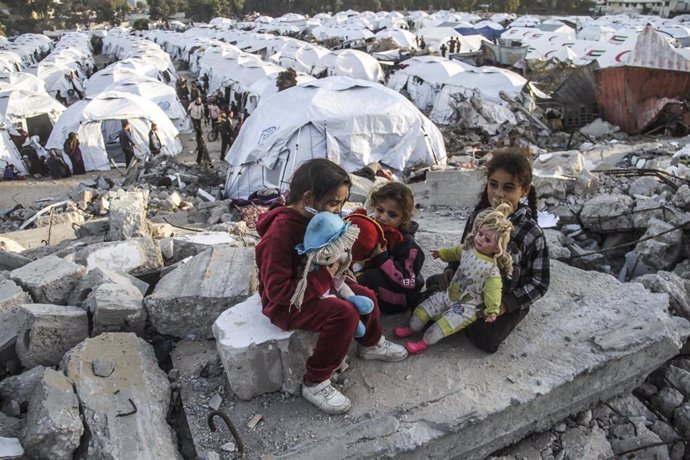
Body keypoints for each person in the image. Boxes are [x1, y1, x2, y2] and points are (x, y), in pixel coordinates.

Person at [255, 158, 408, 415]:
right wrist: (327, 277)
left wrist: (337, 269)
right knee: (344, 314)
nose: (338, 211)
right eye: (335, 203)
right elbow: (278, 292)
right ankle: (315, 381)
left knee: (364, 294)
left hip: (315, 287)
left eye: (341, 204)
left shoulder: (314, 219)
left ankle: (371, 344)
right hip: (287, 305)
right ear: (308, 197)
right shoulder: (280, 233)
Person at [424, 148, 550, 353]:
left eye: (508, 188)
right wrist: (451, 269)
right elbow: (464, 250)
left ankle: (499, 314)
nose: (499, 194)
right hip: (468, 286)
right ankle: (459, 315)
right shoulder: (479, 218)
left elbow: (540, 282)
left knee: (484, 338)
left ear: (524, 190)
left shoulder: (531, 234)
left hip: (502, 296)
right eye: (493, 185)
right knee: (427, 297)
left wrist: (506, 306)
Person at [395, 204, 514, 353]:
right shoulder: (468, 249)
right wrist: (442, 253)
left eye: (488, 240)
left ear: (497, 248)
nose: (481, 239)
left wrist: (492, 310)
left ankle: (423, 343)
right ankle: (412, 329)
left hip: (467, 306)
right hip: (449, 293)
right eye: (480, 234)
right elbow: (454, 252)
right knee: (423, 309)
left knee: (441, 327)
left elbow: (493, 291)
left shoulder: (492, 271)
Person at [292, 212, 374, 339]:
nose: (338, 209)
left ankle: (352, 299)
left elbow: (343, 262)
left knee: (365, 293)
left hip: (336, 282)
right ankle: (355, 323)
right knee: (345, 310)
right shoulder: (310, 264)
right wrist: (325, 275)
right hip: (320, 293)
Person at [347, 182, 425, 314]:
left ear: (404, 218)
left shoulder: (408, 244)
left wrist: (382, 259)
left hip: (399, 298)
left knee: (369, 278)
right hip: (378, 282)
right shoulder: (374, 230)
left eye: (392, 215)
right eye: (380, 210)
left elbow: (407, 283)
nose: (383, 217)